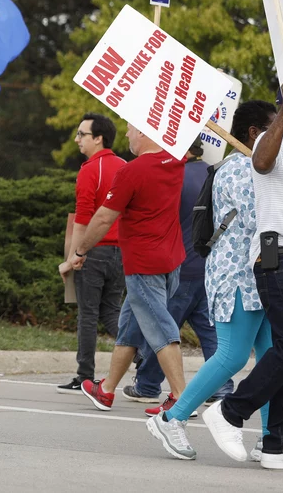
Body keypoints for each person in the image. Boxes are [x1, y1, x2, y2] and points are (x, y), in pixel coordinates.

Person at [202, 74, 283, 470]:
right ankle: (229, 412)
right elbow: (260, 160)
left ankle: (280, 444)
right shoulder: (271, 140)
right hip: (278, 256)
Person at [146, 100, 277, 461]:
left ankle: (270, 438)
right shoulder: (238, 169)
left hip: (261, 275)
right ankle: (170, 418)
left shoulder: (257, 167)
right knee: (232, 355)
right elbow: (262, 218)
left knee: (269, 357)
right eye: (272, 128)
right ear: (253, 133)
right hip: (235, 275)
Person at [71, 124, 187, 414]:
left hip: (143, 265)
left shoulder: (131, 171)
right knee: (129, 327)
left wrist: (81, 250)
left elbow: (102, 219)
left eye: (130, 130)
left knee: (161, 328)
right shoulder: (175, 160)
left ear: (146, 133)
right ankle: (107, 390)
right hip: (171, 261)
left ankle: (181, 397)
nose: (126, 135)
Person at [129, 139, 233, 410]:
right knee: (210, 333)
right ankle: (221, 387)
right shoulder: (215, 173)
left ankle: (148, 385)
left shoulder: (175, 176)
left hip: (180, 265)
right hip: (209, 266)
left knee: (162, 330)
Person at [56, 113, 126, 394]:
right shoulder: (125, 166)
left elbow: (83, 219)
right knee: (112, 313)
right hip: (122, 253)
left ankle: (84, 376)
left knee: (87, 315)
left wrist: (73, 257)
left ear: (98, 138)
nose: (77, 140)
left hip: (94, 251)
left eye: (81, 134)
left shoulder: (89, 169)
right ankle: (146, 357)